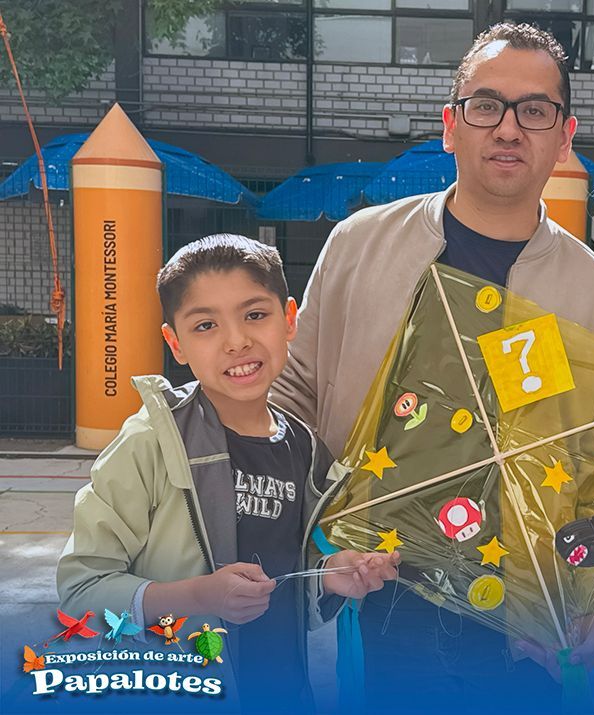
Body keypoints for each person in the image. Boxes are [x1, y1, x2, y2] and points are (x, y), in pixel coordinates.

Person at [271, 22, 594, 712]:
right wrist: (309, 553)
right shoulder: (359, 246)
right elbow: (290, 409)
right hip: (380, 593)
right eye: (486, 105)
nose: (508, 128)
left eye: (534, 110)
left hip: (523, 624)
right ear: (450, 126)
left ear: (564, 138)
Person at [57, 234, 400, 712]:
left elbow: (282, 581)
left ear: (290, 319)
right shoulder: (151, 442)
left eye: (255, 315)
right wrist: (198, 596)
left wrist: (327, 576)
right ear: (175, 343)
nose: (237, 341)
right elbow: (81, 592)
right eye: (205, 325)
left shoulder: (305, 448)